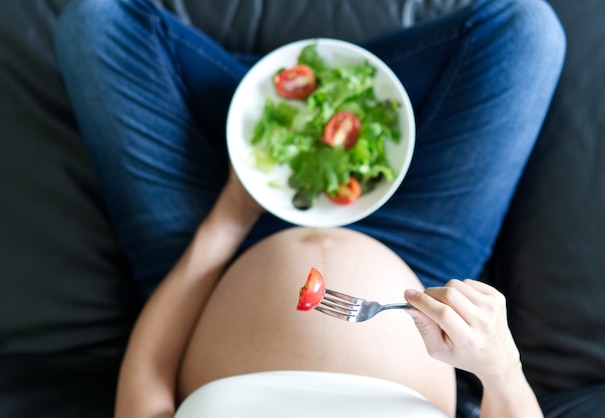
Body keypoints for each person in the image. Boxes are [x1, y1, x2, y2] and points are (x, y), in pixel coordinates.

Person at [53, 0, 565, 416]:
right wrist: (500, 366)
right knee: (526, 32)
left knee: (94, 22)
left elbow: (147, 384)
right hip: (417, 263)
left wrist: (227, 220)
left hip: (212, 261)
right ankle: (298, 109)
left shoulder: (219, 234)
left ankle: (273, 110)